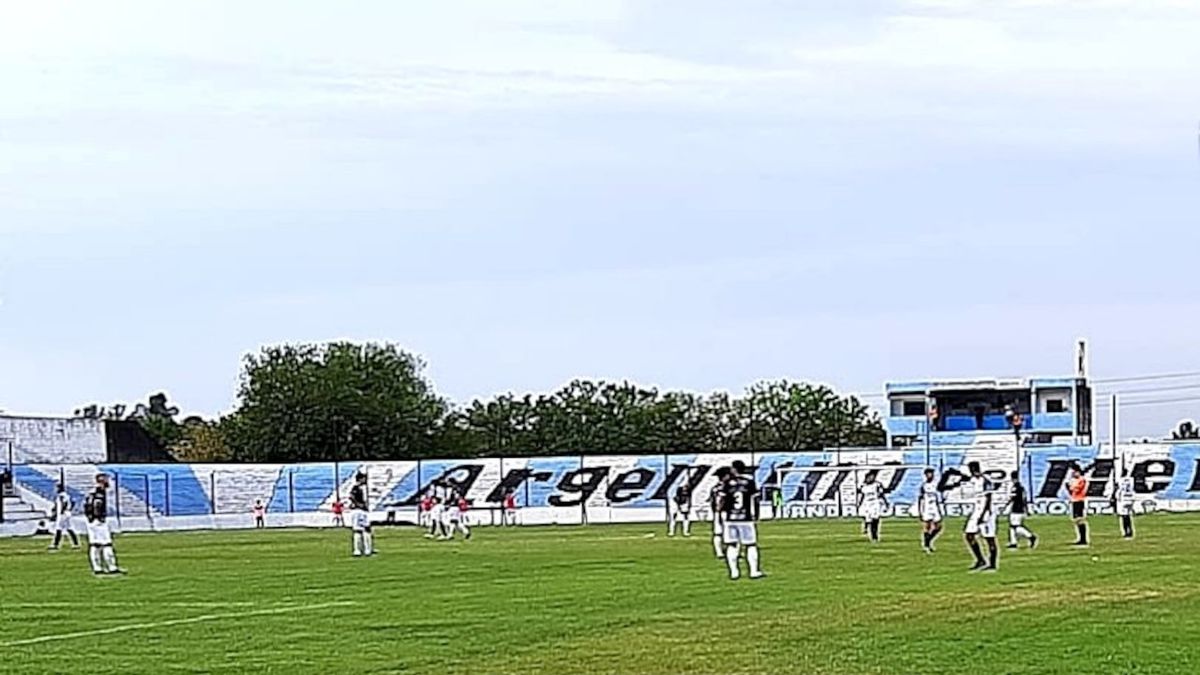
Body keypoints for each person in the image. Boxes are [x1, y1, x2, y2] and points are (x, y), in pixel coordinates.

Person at [721, 460, 764, 580]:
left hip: (730, 518)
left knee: (732, 544)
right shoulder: (749, 482)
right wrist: (757, 514)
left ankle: (734, 572)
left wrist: (722, 513)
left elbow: (722, 500)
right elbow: (755, 499)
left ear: (734, 469)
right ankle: (754, 571)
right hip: (745, 518)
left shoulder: (727, 482)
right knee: (750, 545)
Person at [84, 473, 124, 575]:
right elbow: (97, 504)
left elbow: (86, 505)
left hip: (91, 521)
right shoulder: (99, 492)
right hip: (98, 521)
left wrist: (90, 517)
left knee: (95, 544)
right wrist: (99, 517)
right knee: (106, 544)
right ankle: (112, 567)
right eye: (106, 479)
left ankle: (97, 568)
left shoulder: (91, 492)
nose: (108, 482)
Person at [963, 461, 999, 572]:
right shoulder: (973, 480)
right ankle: (980, 560)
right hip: (977, 510)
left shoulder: (986, 480)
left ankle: (992, 564)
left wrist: (984, 514)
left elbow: (989, 498)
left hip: (987, 512)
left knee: (989, 538)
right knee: (969, 535)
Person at [1006, 471, 1038, 549]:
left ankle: (1030, 536)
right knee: (1012, 526)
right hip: (1020, 509)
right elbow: (1024, 499)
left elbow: (1012, 498)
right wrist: (1026, 509)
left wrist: (1006, 504)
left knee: (1015, 526)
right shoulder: (1021, 487)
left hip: (1016, 509)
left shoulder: (1015, 487)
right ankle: (1013, 542)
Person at [857, 470, 888, 543]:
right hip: (866, 503)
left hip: (875, 503)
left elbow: (881, 494)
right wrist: (859, 504)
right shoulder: (863, 486)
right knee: (868, 518)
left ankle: (874, 537)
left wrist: (885, 503)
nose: (871, 478)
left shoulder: (877, 485)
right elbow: (862, 495)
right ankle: (865, 526)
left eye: (873, 477)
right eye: (870, 477)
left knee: (875, 520)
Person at [917, 468, 943, 553]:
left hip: (935, 507)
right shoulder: (923, 486)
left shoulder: (936, 484)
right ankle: (927, 545)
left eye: (931, 473)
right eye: (928, 474)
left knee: (939, 526)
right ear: (925, 475)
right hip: (927, 507)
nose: (930, 475)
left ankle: (928, 541)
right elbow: (920, 499)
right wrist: (920, 511)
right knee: (927, 526)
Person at [48, 483, 81, 551]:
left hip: (63, 514)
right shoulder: (66, 495)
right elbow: (72, 502)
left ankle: (55, 545)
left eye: (56, 488)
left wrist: (60, 511)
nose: (55, 489)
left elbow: (63, 503)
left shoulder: (61, 496)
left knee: (59, 528)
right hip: (66, 513)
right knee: (69, 528)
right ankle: (76, 544)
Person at [349, 472, 374, 557]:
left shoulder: (360, 488)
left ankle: (360, 550)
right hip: (359, 511)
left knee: (360, 530)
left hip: (360, 510)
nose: (366, 480)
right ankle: (365, 550)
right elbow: (351, 497)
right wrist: (359, 504)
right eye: (364, 478)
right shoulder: (356, 487)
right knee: (364, 529)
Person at [1066, 467, 1089, 546]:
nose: (1073, 474)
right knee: (1076, 520)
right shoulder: (1074, 480)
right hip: (1074, 500)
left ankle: (1083, 539)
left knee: (1080, 519)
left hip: (1079, 501)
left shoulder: (1081, 480)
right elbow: (1071, 491)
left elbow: (1076, 489)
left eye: (1075, 472)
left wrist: (1070, 487)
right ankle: (1080, 538)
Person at [709, 468, 729, 560]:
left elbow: (712, 501)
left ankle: (719, 552)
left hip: (717, 512)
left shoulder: (714, 488)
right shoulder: (727, 487)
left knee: (718, 533)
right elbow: (722, 500)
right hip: (725, 511)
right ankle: (729, 551)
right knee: (728, 532)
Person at [1114, 469, 1136, 539]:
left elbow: (1119, 490)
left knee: (1124, 517)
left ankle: (1126, 532)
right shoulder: (1131, 480)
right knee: (1129, 516)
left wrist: (1116, 498)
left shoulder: (1120, 481)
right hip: (1130, 498)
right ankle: (1131, 531)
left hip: (1123, 499)